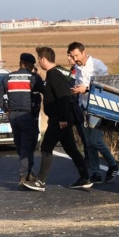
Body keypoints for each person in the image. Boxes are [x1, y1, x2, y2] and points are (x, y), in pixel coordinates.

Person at [23, 47, 92, 191]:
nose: (38, 63)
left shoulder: (54, 74)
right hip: (63, 117)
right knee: (71, 148)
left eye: (39, 59)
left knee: (46, 147)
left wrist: (62, 119)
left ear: (43, 59)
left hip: (59, 118)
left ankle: (41, 181)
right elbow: (52, 92)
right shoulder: (57, 72)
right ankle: (85, 177)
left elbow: (62, 97)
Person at [68, 41, 119, 184]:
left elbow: (106, 86)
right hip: (84, 107)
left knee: (95, 141)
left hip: (98, 108)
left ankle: (113, 164)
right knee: (88, 143)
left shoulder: (97, 65)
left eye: (77, 55)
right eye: (73, 56)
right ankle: (95, 173)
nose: (75, 58)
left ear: (84, 52)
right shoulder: (77, 68)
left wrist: (85, 89)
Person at [0, 53, 44, 188]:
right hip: (27, 116)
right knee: (28, 146)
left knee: (21, 145)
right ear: (30, 65)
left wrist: (6, 108)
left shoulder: (8, 77)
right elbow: (45, 89)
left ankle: (29, 172)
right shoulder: (33, 78)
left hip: (13, 116)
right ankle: (23, 177)